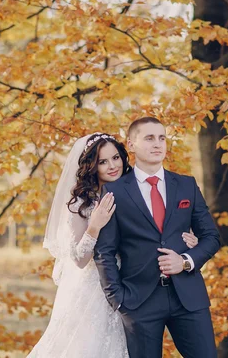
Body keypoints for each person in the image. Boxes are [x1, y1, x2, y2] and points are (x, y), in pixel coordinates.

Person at [28, 133, 199, 357]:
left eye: (116, 158)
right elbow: (79, 260)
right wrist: (94, 226)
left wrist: (188, 242)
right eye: (103, 161)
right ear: (91, 166)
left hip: (134, 286)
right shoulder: (82, 203)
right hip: (95, 291)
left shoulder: (134, 192)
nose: (112, 166)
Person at [95, 117, 222, 358]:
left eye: (162, 138)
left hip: (189, 298)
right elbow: (104, 251)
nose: (158, 144)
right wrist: (118, 300)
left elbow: (211, 237)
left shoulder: (186, 185)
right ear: (131, 144)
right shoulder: (115, 191)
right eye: (149, 138)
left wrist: (185, 260)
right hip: (138, 301)